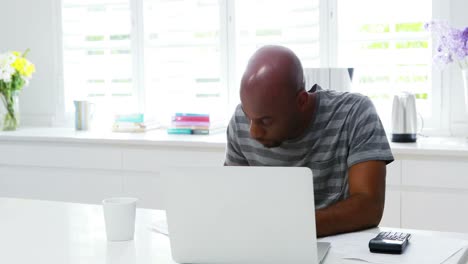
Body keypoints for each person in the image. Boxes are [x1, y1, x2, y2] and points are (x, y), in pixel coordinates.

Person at [224, 45, 394, 237]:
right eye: (249, 116)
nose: (253, 132)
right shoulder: (239, 121)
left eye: (265, 120)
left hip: (340, 249)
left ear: (302, 101)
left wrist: (291, 228)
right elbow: (234, 200)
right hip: (266, 245)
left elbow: (369, 207)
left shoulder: (355, 113)